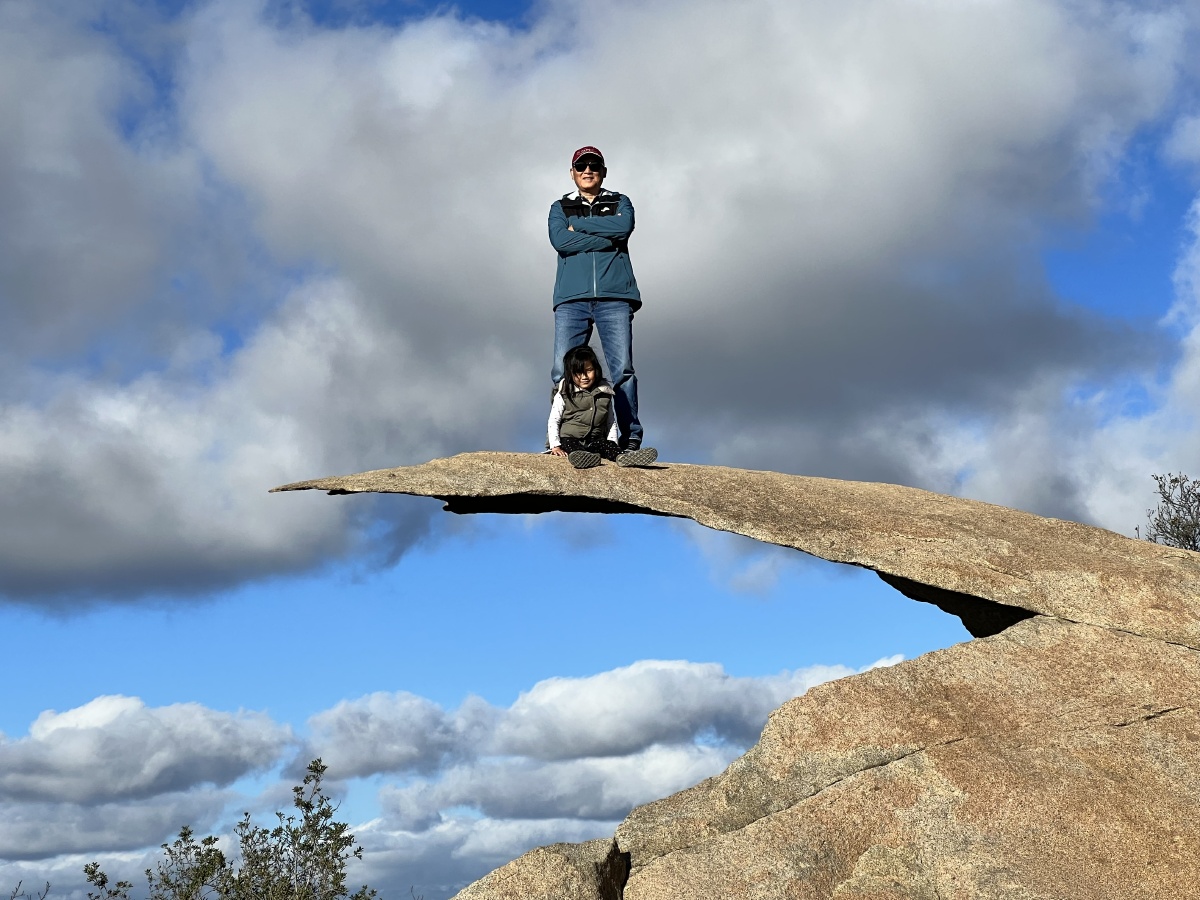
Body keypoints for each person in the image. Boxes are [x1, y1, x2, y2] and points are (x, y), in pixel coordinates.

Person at [548, 146, 645, 451]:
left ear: (603, 171)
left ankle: (629, 439)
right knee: (561, 370)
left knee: (622, 370)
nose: (587, 170)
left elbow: (624, 226)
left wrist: (582, 226)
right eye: (581, 166)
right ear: (573, 172)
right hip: (571, 299)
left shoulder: (620, 201)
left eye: (594, 165)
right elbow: (560, 240)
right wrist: (607, 236)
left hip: (615, 297)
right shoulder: (560, 206)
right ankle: (562, 440)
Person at [549, 346, 658, 469]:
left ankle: (623, 457)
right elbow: (554, 420)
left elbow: (610, 422)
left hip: (594, 440)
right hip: (569, 437)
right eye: (578, 373)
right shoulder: (564, 392)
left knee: (606, 445)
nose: (584, 376)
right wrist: (555, 445)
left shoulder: (604, 392)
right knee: (570, 444)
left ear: (596, 369)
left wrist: (613, 444)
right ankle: (583, 458)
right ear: (570, 374)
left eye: (589, 370)